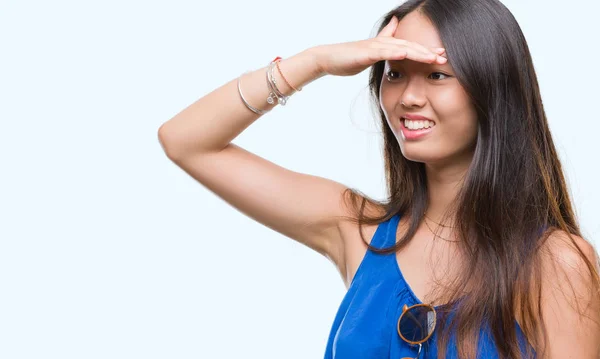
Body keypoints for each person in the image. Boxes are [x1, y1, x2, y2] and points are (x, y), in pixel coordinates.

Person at [157, 0, 600, 357]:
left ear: (492, 88)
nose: (408, 97)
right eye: (394, 74)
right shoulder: (358, 230)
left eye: (437, 75)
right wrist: (316, 62)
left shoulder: (554, 263)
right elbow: (186, 141)